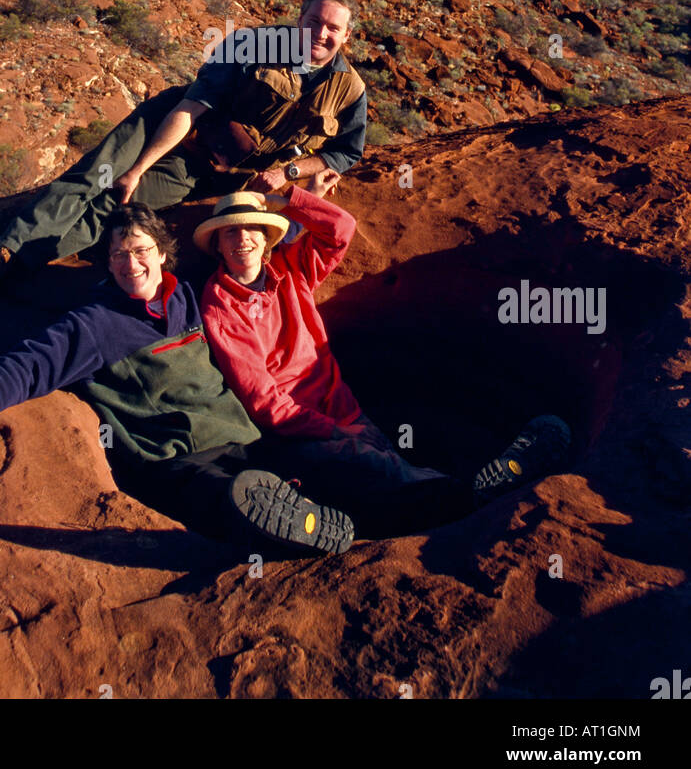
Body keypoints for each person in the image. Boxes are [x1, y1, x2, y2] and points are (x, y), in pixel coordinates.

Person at [0, 206, 355, 556]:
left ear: (162, 253)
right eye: (120, 255)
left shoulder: (187, 295)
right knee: (219, 494)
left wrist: (298, 195)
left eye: (141, 250)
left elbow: (267, 252)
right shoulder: (96, 324)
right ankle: (272, 528)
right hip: (176, 457)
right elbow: (31, 366)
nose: (132, 264)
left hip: (240, 436)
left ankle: (309, 516)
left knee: (304, 467)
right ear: (107, 263)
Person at [195, 183, 573, 538]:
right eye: (230, 232)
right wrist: (334, 431)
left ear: (266, 241)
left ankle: (477, 479)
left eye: (252, 230)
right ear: (218, 246)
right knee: (378, 468)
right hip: (298, 431)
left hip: (345, 408)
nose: (242, 239)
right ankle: (479, 495)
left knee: (405, 451)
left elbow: (340, 228)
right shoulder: (220, 304)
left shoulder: (290, 268)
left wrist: (291, 199)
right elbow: (264, 401)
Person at [0, 0, 367, 296]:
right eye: (314, 22)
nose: (321, 34)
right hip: (169, 123)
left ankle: (3, 270)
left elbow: (346, 151)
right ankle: (4, 250)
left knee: (115, 209)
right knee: (97, 178)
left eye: (333, 28)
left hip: (216, 173)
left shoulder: (350, 90)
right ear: (300, 19)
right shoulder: (251, 44)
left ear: (346, 36)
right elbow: (191, 107)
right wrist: (139, 166)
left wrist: (289, 172)